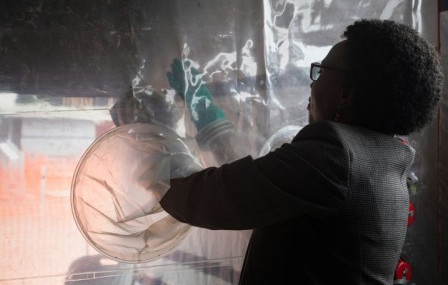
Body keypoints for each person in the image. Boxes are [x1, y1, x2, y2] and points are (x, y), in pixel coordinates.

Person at [159, 19, 444, 284]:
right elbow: (256, 177)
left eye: (321, 71)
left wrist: (149, 167)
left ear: (347, 93)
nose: (313, 83)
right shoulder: (386, 160)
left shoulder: (336, 156)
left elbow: (217, 197)